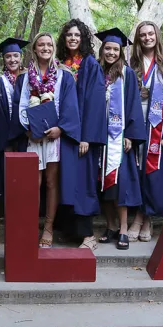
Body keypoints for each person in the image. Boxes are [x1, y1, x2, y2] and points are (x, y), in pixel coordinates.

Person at [10, 32, 80, 248]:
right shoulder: (24, 77)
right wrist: (26, 129)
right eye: (41, 44)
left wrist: (61, 128)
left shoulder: (64, 75)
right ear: (35, 48)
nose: (46, 47)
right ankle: (29, 226)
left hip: (54, 138)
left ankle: (48, 228)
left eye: (49, 44)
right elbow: (17, 106)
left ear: (54, 48)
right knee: (33, 182)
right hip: (32, 137)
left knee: (51, 182)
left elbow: (70, 105)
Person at [128, 21, 163, 242]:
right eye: (143, 35)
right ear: (138, 39)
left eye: (151, 34)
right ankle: (139, 215)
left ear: (157, 36)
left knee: (152, 170)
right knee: (137, 166)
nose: (147, 37)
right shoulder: (132, 64)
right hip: (135, 119)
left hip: (158, 123)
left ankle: (144, 218)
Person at [56, 19, 106, 250]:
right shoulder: (60, 64)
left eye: (77, 35)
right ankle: (69, 231)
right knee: (65, 181)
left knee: (83, 182)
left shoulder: (90, 65)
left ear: (84, 38)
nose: (73, 38)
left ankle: (88, 235)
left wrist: (86, 136)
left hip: (81, 136)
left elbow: (95, 103)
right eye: (69, 35)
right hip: (63, 133)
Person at [96, 28, 146, 250]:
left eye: (116, 49)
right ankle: (110, 226)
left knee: (120, 186)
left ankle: (124, 229)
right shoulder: (96, 73)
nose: (111, 52)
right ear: (102, 49)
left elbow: (134, 105)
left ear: (121, 52)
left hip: (120, 138)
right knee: (103, 186)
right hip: (99, 139)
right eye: (108, 48)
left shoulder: (127, 75)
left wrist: (131, 136)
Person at [0, 36, 26, 150]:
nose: (12, 60)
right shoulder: (0, 81)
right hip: (8, 136)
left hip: (28, 134)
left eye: (16, 55)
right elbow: (0, 114)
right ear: (3, 59)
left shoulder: (29, 78)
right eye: (8, 56)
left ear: (21, 57)